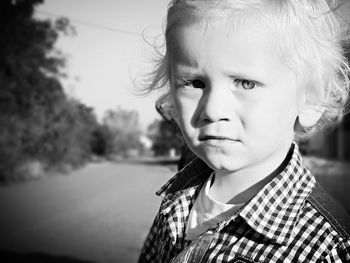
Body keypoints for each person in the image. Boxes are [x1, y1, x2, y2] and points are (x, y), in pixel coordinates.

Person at [138, 0, 350, 262]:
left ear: (310, 101)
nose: (213, 110)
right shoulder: (176, 200)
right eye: (195, 83)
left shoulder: (324, 247)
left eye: (246, 84)